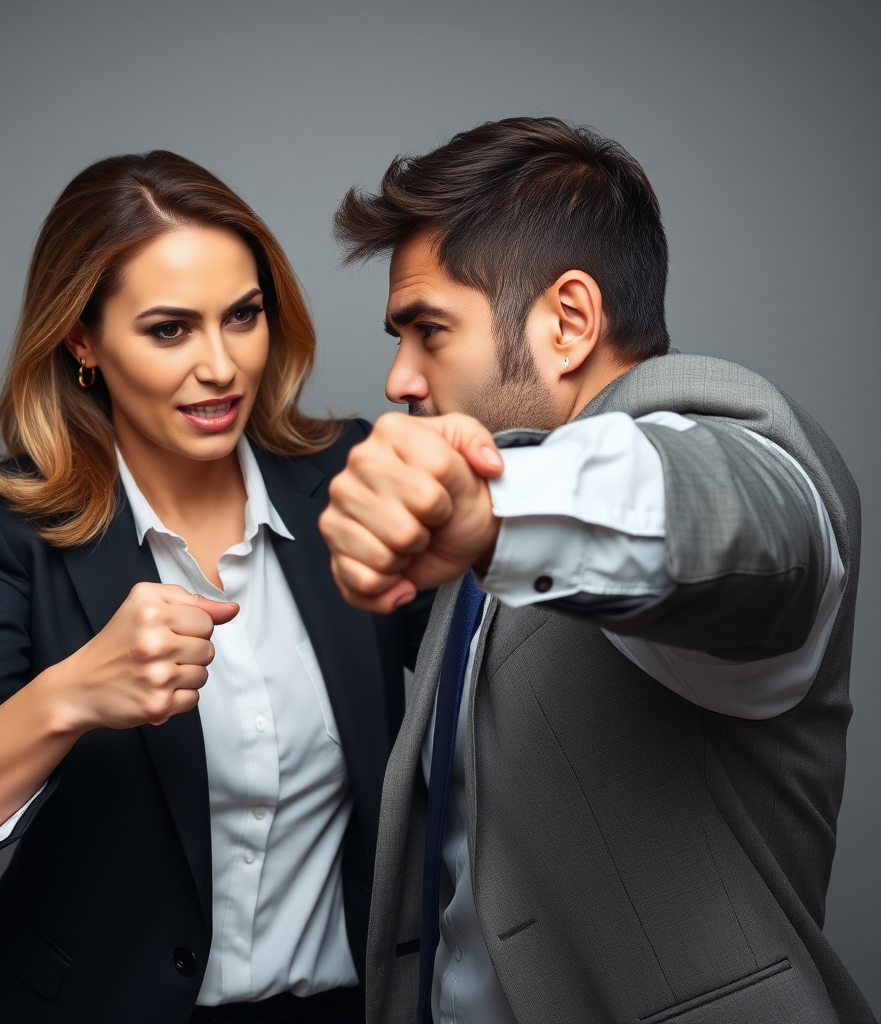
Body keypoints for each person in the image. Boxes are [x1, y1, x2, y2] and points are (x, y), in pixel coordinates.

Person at [319, 117, 875, 1024]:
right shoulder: (487, 558)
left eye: (428, 330)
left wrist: (489, 508)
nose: (399, 380)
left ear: (569, 321)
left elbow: (735, 525)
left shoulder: (733, 450)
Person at [0, 150, 432, 1024]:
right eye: (169, 329)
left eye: (243, 317)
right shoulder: (11, 527)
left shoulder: (352, 477)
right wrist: (70, 695)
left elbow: (501, 687)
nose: (221, 366)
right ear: (82, 340)